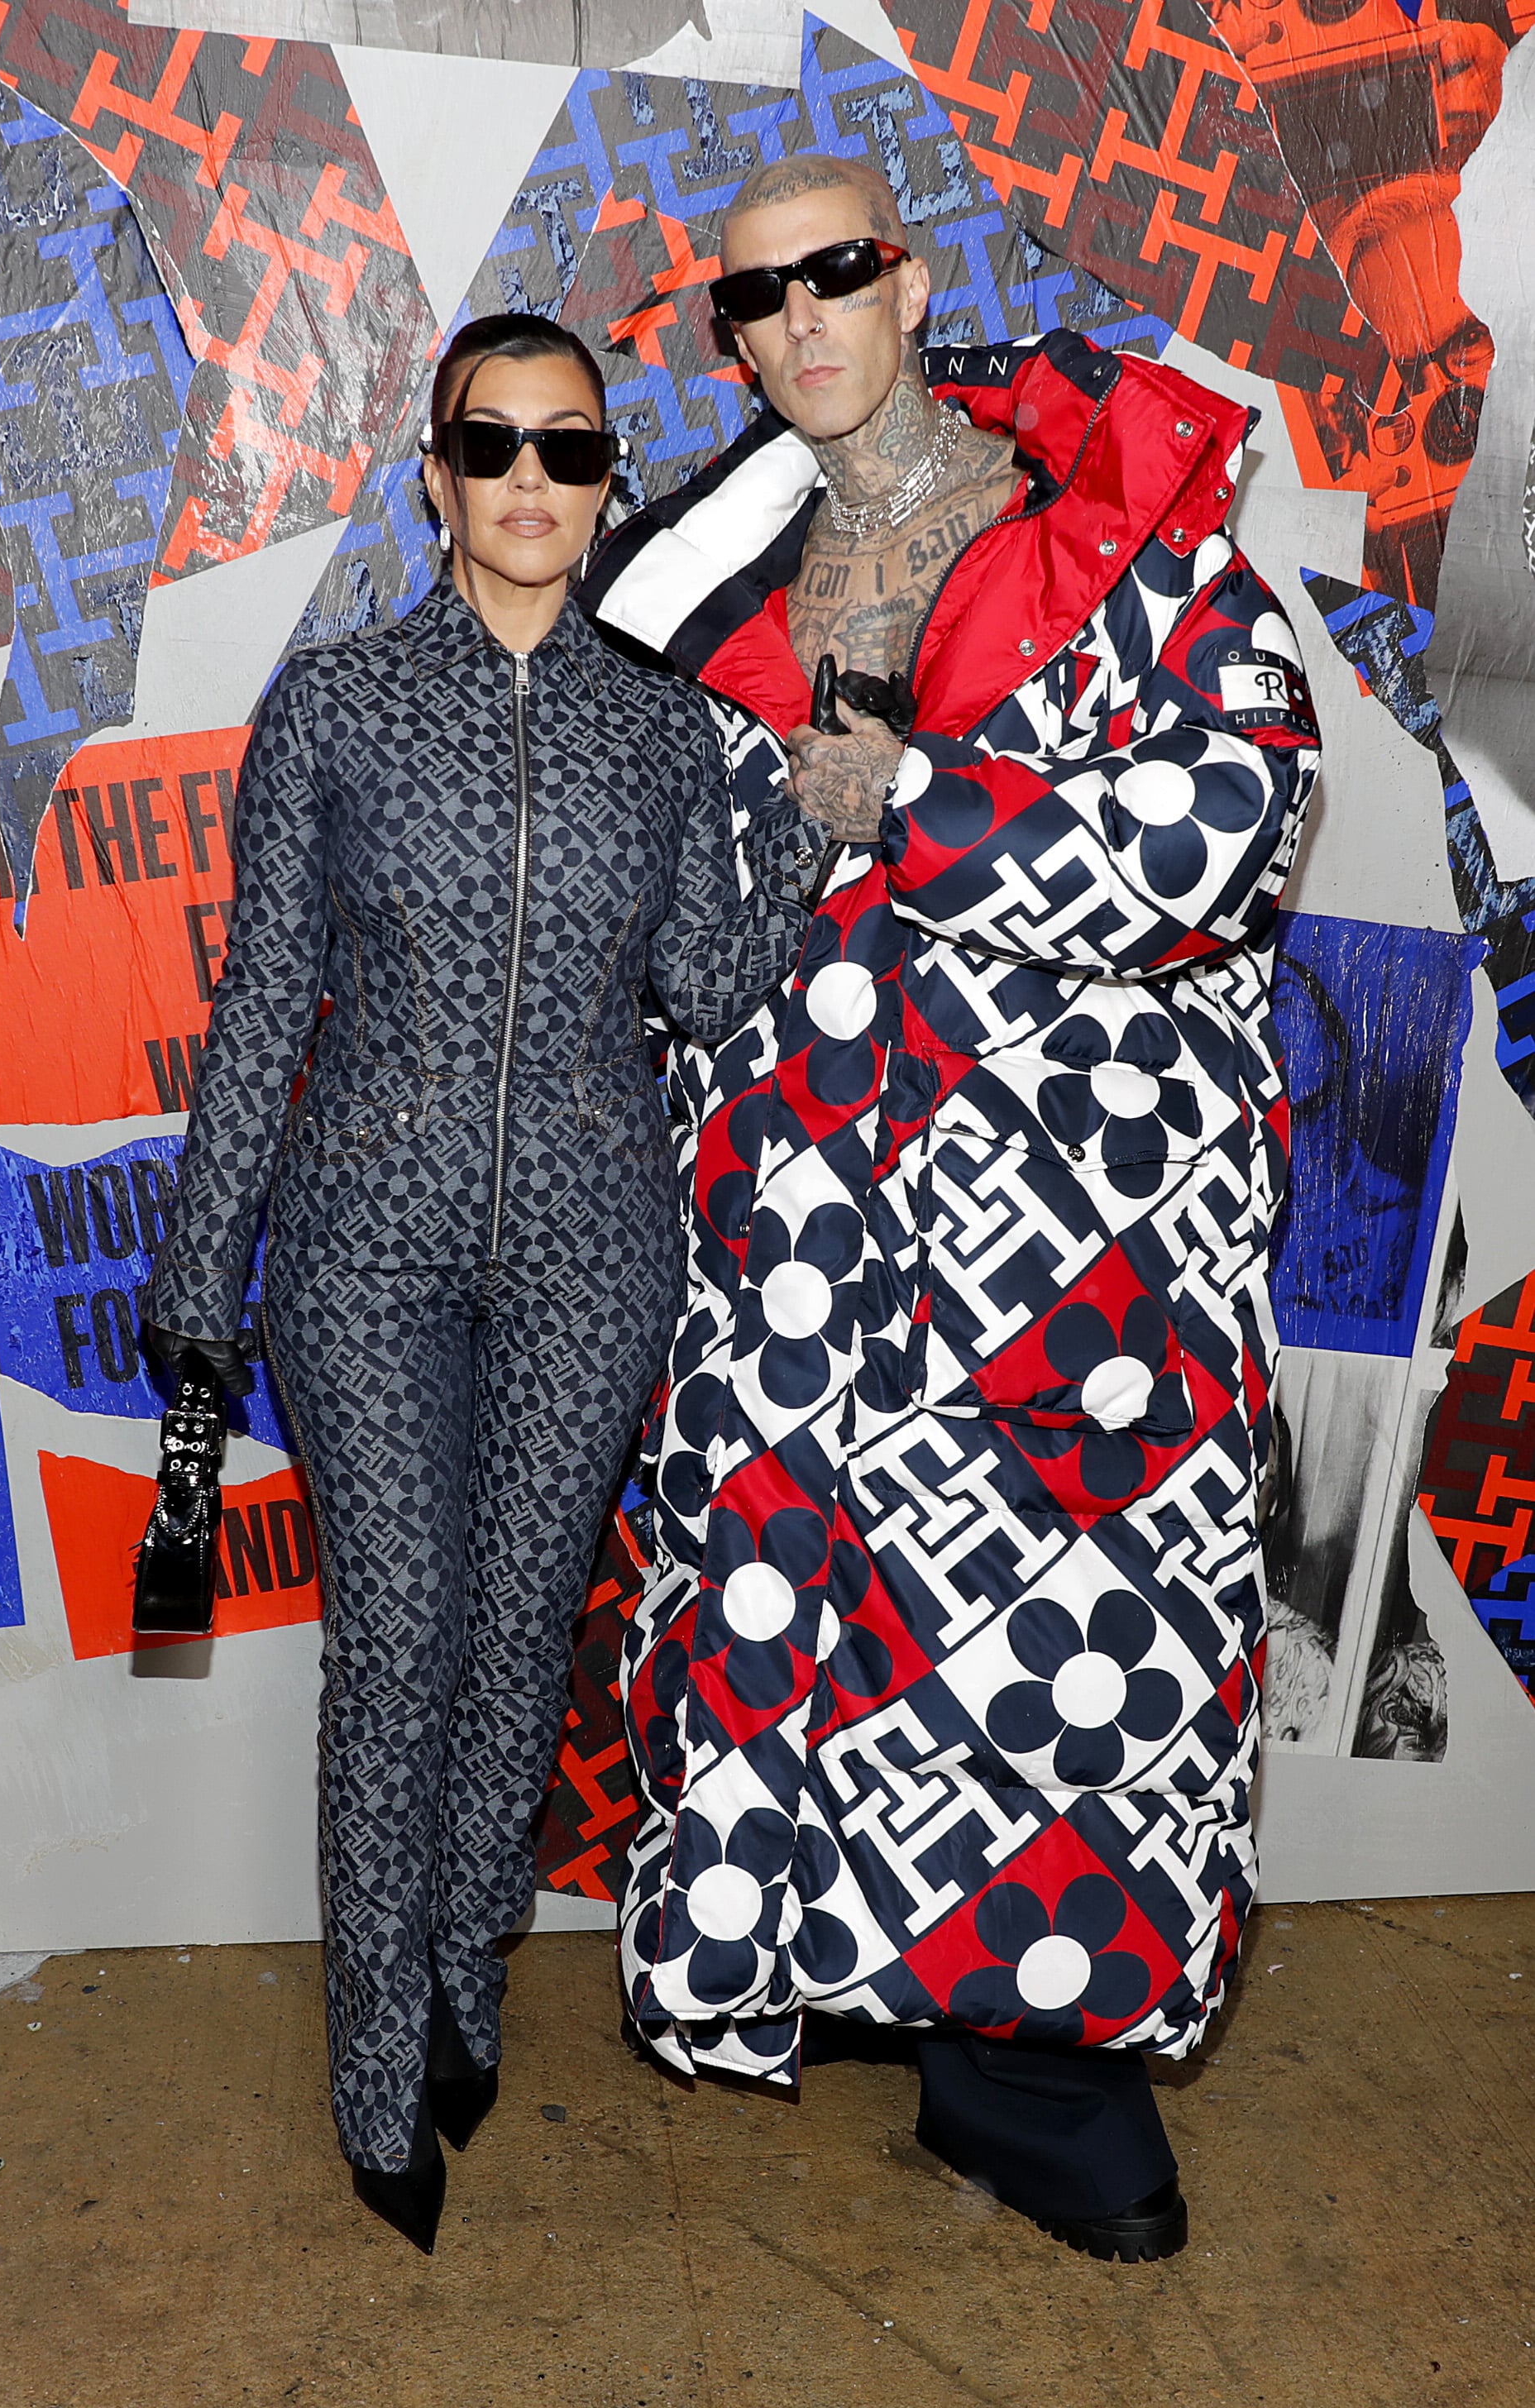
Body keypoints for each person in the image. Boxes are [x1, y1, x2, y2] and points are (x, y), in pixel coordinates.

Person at [582, 155, 1322, 2262]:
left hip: (1071, 1222)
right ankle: (881, 2017)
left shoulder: (1114, 533)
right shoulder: (707, 582)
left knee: (1068, 1643)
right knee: (808, 1627)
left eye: (834, 273)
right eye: (753, 300)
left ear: (905, 280)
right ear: (728, 339)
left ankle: (1037, 2077)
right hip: (794, 1211)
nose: (798, 319)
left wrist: (910, 803)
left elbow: (1220, 826)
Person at [142, 314, 815, 2254]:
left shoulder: (658, 724)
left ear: (606, 484)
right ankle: (378, 2082)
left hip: (597, 1245)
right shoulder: (340, 706)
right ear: (431, 474)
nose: (531, 484)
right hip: (362, 1240)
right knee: (400, 1645)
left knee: (523, 1643)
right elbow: (263, 997)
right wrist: (201, 1273)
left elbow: (705, 984)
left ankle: (457, 1978)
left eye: (570, 453)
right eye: (492, 446)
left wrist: (804, 830)